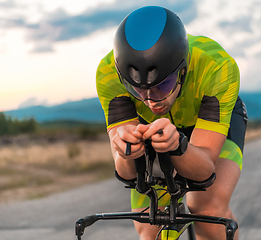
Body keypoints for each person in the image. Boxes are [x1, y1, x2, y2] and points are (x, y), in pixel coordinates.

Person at [96, 6, 247, 240]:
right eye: (137, 89)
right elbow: (125, 172)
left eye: (163, 86)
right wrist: (127, 151)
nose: (150, 100)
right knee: (150, 226)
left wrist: (177, 146)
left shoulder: (217, 66)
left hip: (209, 124)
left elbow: (205, 168)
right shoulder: (108, 75)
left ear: (183, 70)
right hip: (155, 131)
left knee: (206, 209)